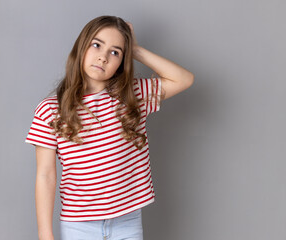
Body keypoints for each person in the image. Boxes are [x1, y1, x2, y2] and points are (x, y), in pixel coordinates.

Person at [25, 15, 194, 240]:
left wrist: (135, 50)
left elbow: (183, 79)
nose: (103, 57)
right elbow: (45, 175)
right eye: (96, 45)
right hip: (79, 225)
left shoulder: (134, 96)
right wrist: (45, 234)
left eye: (115, 52)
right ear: (81, 46)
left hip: (128, 221)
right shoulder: (51, 110)